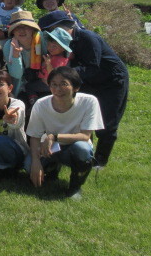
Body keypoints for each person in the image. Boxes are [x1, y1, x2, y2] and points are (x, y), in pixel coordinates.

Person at [38, 11, 129, 168]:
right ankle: (85, 151)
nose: (52, 35)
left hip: (112, 80)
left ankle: (100, 160)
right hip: (87, 80)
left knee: (108, 120)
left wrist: (64, 71)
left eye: (53, 29)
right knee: (84, 116)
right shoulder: (62, 41)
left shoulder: (87, 38)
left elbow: (92, 66)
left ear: (65, 26)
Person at [26, 66, 104, 199]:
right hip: (50, 148)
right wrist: (35, 162)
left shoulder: (89, 102)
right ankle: (52, 168)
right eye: (54, 85)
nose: (58, 89)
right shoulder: (41, 104)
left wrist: (54, 137)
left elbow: (85, 136)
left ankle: (75, 187)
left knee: (83, 150)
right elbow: (34, 136)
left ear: (76, 87)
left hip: (74, 146)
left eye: (64, 84)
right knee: (27, 166)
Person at [2, 11, 44, 101]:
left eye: (26, 27)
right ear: (13, 31)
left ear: (32, 29)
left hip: (42, 81)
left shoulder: (42, 39)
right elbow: (16, 74)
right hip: (21, 87)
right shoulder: (9, 46)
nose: (21, 31)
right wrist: (16, 56)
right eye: (17, 28)